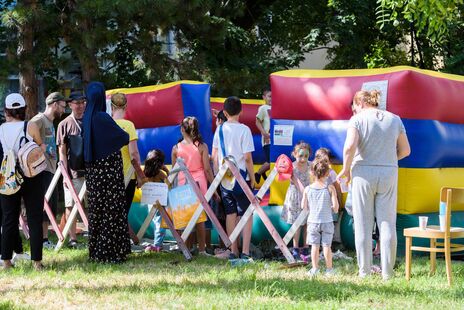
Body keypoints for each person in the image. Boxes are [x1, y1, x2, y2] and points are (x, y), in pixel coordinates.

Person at [337, 90, 410, 280]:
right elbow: (406, 150)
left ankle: (365, 272)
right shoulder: (395, 118)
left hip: (363, 172)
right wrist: (387, 159)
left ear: (359, 102)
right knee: (387, 224)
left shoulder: (358, 119)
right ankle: (388, 273)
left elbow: (349, 146)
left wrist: (345, 169)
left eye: (354, 108)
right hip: (388, 172)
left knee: (363, 224)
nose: (353, 112)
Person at [83, 82, 130, 263]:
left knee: (97, 211)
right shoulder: (102, 117)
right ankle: (110, 252)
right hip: (108, 172)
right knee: (112, 210)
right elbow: (123, 137)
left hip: (93, 173)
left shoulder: (87, 117)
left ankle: (96, 251)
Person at [0, 93, 46, 270]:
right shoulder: (31, 125)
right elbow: (40, 146)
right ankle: (37, 262)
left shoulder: (1, 129)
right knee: (34, 217)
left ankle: (6, 261)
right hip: (31, 175)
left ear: (7, 110)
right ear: (24, 109)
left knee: (8, 218)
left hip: (9, 176)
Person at [212, 96, 255, 259]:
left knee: (230, 213)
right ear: (241, 111)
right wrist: (252, 177)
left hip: (224, 177)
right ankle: (245, 252)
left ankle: (232, 250)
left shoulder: (220, 129)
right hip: (241, 177)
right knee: (247, 213)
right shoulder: (244, 130)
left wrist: (217, 175)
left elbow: (214, 155)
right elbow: (248, 158)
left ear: (224, 112)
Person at [172, 116, 216, 256]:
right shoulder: (202, 146)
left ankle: (187, 247)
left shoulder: (176, 148)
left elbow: (174, 170)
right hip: (199, 183)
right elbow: (207, 169)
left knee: (185, 215)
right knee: (200, 217)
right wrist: (213, 189)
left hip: (182, 183)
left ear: (183, 129)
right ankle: (202, 249)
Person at [30, 92, 67, 249]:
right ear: (54, 104)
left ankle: (44, 239)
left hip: (52, 169)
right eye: (62, 106)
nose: (64, 110)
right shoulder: (39, 120)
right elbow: (28, 135)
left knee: (50, 205)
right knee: (43, 205)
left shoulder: (51, 122)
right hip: (41, 170)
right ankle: (41, 240)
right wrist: (40, 149)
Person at [111, 93, 145, 245]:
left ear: (111, 107)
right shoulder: (128, 125)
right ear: (126, 106)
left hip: (110, 175)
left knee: (114, 211)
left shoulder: (107, 125)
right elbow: (134, 153)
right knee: (123, 211)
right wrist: (140, 175)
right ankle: (122, 243)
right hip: (127, 174)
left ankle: (116, 241)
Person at [56, 91, 87, 248]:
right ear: (70, 105)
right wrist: (64, 174)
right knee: (71, 205)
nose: (80, 106)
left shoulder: (91, 121)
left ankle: (94, 234)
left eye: (82, 102)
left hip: (91, 171)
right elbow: (62, 151)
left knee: (93, 204)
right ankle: (72, 238)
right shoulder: (64, 124)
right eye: (77, 103)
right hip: (73, 171)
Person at [303, 158, 339, 277]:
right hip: (327, 221)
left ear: (312, 173)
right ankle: (329, 270)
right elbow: (335, 207)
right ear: (327, 174)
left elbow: (304, 206)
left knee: (314, 246)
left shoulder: (307, 189)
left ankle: (315, 269)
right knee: (327, 246)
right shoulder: (330, 188)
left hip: (312, 222)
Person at [280, 141, 312, 260]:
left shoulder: (311, 166)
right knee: (297, 223)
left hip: (308, 196)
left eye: (306, 156)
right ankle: (295, 248)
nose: (303, 159)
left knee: (308, 223)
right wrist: (307, 193)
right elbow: (298, 183)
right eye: (300, 156)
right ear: (294, 154)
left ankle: (306, 247)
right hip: (296, 197)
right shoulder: (292, 167)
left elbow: (314, 179)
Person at [142, 149, 169, 252]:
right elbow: (168, 183)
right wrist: (166, 171)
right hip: (160, 201)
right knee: (159, 223)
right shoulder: (160, 174)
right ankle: (157, 244)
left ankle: (157, 243)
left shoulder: (146, 173)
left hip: (150, 201)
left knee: (156, 222)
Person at [255, 89, 271, 183]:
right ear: (264, 97)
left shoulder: (276, 107)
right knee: (271, 160)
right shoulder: (263, 108)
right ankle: (258, 173)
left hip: (276, 139)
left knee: (274, 160)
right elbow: (257, 121)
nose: (271, 99)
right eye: (269, 96)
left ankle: (263, 171)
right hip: (267, 139)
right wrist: (264, 133)